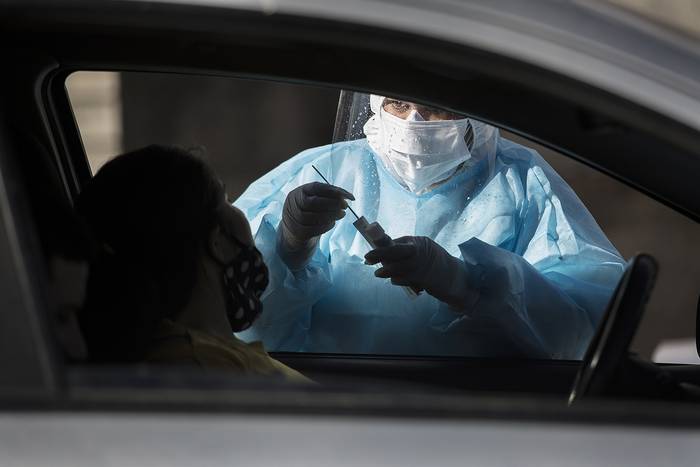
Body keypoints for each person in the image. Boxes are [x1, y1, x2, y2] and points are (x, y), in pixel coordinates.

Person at [235, 94, 626, 359]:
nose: (414, 122)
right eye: (398, 104)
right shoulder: (325, 172)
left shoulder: (521, 185)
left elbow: (580, 332)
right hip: (328, 412)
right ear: (375, 103)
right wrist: (287, 247)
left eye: (436, 106)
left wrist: (463, 283)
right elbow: (234, 321)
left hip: (469, 422)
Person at [76, 145, 308, 381]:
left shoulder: (210, 354)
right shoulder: (201, 365)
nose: (240, 212)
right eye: (226, 201)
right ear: (217, 239)